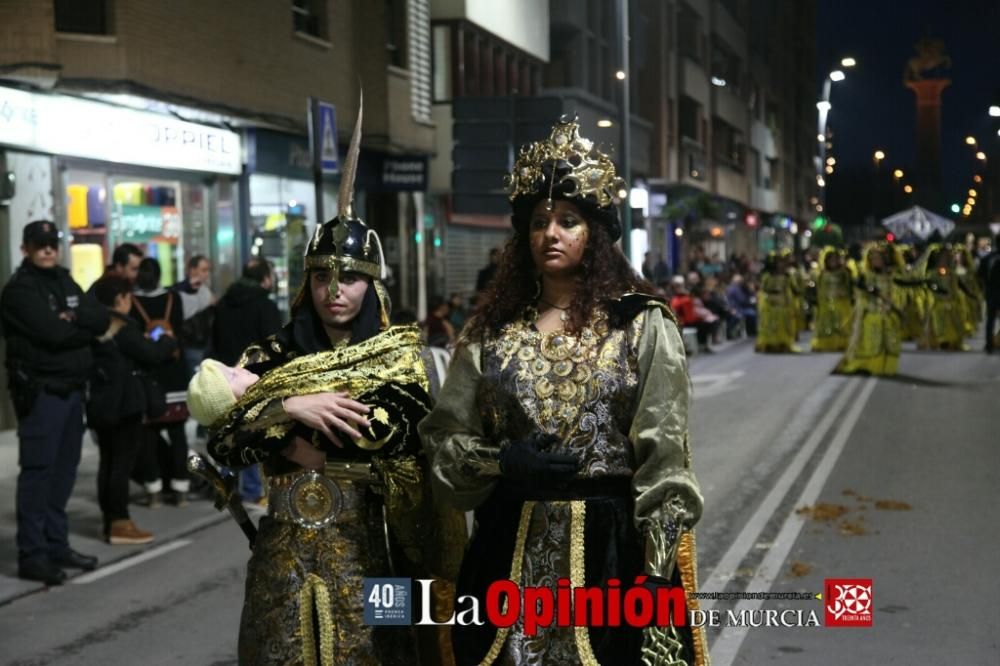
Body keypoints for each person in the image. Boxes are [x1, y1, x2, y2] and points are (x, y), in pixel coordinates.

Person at [419, 116, 707, 665]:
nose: (550, 233)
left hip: (609, 558)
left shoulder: (640, 326)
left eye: (568, 220)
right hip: (506, 553)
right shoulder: (490, 333)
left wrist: (655, 574)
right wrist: (501, 461)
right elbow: (444, 441)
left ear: (593, 234)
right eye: (538, 221)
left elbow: (665, 460)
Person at [205, 105, 465, 666]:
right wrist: (292, 404)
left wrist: (283, 428)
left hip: (384, 547)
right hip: (285, 547)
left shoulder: (400, 359)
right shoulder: (272, 356)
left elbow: (399, 438)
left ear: (370, 285)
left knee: (393, 656)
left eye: (348, 277)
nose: (334, 289)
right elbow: (223, 440)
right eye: (321, 276)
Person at [1, 221, 110, 584]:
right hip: (42, 394)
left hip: (72, 392)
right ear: (25, 248)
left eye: (52, 242)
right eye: (39, 243)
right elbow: (52, 334)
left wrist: (73, 317)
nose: (47, 249)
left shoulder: (64, 279)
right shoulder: (20, 290)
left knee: (63, 475)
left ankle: (56, 545)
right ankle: (33, 555)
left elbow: (98, 317)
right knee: (38, 474)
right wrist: (75, 324)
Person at [88, 274, 177, 543]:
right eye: (128, 297)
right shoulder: (120, 326)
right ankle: (120, 522)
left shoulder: (94, 324)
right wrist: (167, 340)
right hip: (124, 403)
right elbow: (151, 354)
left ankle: (111, 520)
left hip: (102, 403)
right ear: (120, 299)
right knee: (121, 464)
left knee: (108, 462)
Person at [208, 257, 283, 504]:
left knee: (228, 430)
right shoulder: (265, 305)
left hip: (226, 375)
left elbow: (215, 338)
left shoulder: (224, 303)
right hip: (253, 376)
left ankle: (223, 484)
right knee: (253, 429)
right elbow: (274, 344)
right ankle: (252, 489)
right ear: (264, 279)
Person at [130, 257, 191, 507]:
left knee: (149, 437)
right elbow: (180, 329)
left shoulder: (132, 302)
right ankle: (181, 490)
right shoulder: (173, 299)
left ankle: (153, 491)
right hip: (175, 374)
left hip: (149, 377)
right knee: (178, 435)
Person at [836, 243, 904, 376]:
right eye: (872, 258)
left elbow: (899, 289)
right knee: (872, 340)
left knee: (889, 342)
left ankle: (886, 367)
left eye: (877, 258)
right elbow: (860, 294)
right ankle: (870, 365)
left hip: (889, 312)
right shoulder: (865, 276)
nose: (875, 261)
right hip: (872, 313)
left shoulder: (893, 275)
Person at [918, 244, 968, 351]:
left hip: (952, 302)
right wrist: (940, 292)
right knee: (938, 319)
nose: (945, 259)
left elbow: (958, 286)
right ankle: (942, 340)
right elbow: (930, 286)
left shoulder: (953, 273)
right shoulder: (932, 273)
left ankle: (953, 341)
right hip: (938, 302)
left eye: (947, 257)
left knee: (955, 319)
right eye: (943, 257)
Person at [173, 254, 216, 376]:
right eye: (203, 270)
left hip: (205, 344)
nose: (206, 274)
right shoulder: (180, 291)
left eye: (208, 270)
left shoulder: (205, 290)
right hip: (191, 344)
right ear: (192, 270)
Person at [810, 247, 853, 352]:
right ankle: (826, 343)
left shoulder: (844, 273)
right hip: (826, 303)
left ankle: (841, 344)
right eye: (830, 259)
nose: (833, 262)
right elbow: (819, 289)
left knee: (840, 324)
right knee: (826, 324)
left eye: (835, 259)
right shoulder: (822, 274)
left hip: (841, 303)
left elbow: (849, 288)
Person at [755, 251, 799, 353]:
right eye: (778, 262)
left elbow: (794, 289)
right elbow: (763, 289)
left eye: (782, 262)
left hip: (783, 302)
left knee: (782, 323)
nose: (781, 265)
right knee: (771, 324)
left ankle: (782, 343)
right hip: (770, 303)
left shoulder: (787, 276)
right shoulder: (768, 276)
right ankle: (770, 343)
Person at [671, 277, 717, 354]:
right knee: (706, 325)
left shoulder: (674, 300)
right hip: (685, 322)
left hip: (680, 322)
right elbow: (690, 318)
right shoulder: (686, 300)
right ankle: (703, 344)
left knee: (705, 323)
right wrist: (700, 318)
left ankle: (702, 344)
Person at [977, 234, 1000, 353]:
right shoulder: (988, 259)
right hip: (992, 292)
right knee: (990, 319)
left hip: (991, 293)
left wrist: (985, 288)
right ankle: (990, 343)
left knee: (990, 320)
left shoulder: (987, 258)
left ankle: (989, 344)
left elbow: (980, 276)